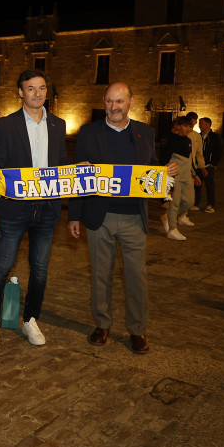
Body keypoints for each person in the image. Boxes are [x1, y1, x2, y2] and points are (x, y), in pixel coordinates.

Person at [68, 82, 178, 354]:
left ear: (131, 101)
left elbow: (149, 167)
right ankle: (102, 325)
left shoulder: (145, 132)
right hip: (99, 216)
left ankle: (137, 331)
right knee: (100, 275)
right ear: (103, 102)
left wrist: (164, 171)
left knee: (136, 277)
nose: (113, 107)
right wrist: (74, 215)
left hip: (133, 219)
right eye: (109, 102)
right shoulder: (88, 132)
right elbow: (77, 178)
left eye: (119, 102)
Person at [0, 69, 68, 348]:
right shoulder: (6, 125)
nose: (37, 93)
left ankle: (31, 319)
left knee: (40, 268)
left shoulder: (59, 124)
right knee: (2, 265)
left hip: (47, 209)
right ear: (20, 92)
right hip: (15, 208)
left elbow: (62, 163)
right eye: (31, 88)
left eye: (42, 88)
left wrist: (77, 171)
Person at [159, 116, 196, 241]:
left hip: (187, 177)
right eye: (185, 126)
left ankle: (168, 217)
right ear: (179, 126)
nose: (188, 129)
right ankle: (172, 229)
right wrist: (165, 177)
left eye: (190, 126)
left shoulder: (188, 141)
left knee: (189, 202)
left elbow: (190, 160)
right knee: (174, 204)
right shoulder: (171, 140)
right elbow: (164, 159)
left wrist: (194, 174)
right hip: (175, 177)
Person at [183, 111, 206, 217]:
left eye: (195, 120)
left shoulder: (197, 136)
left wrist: (202, 167)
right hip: (180, 166)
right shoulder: (181, 134)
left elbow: (199, 153)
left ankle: (183, 213)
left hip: (191, 166)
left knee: (189, 191)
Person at [198, 117, 223, 212]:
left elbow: (219, 151)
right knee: (197, 185)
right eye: (199, 123)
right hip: (199, 166)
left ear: (208, 124)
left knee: (210, 186)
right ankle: (195, 203)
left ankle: (210, 204)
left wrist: (213, 163)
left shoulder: (215, 137)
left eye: (202, 123)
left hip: (209, 166)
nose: (200, 125)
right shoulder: (198, 136)